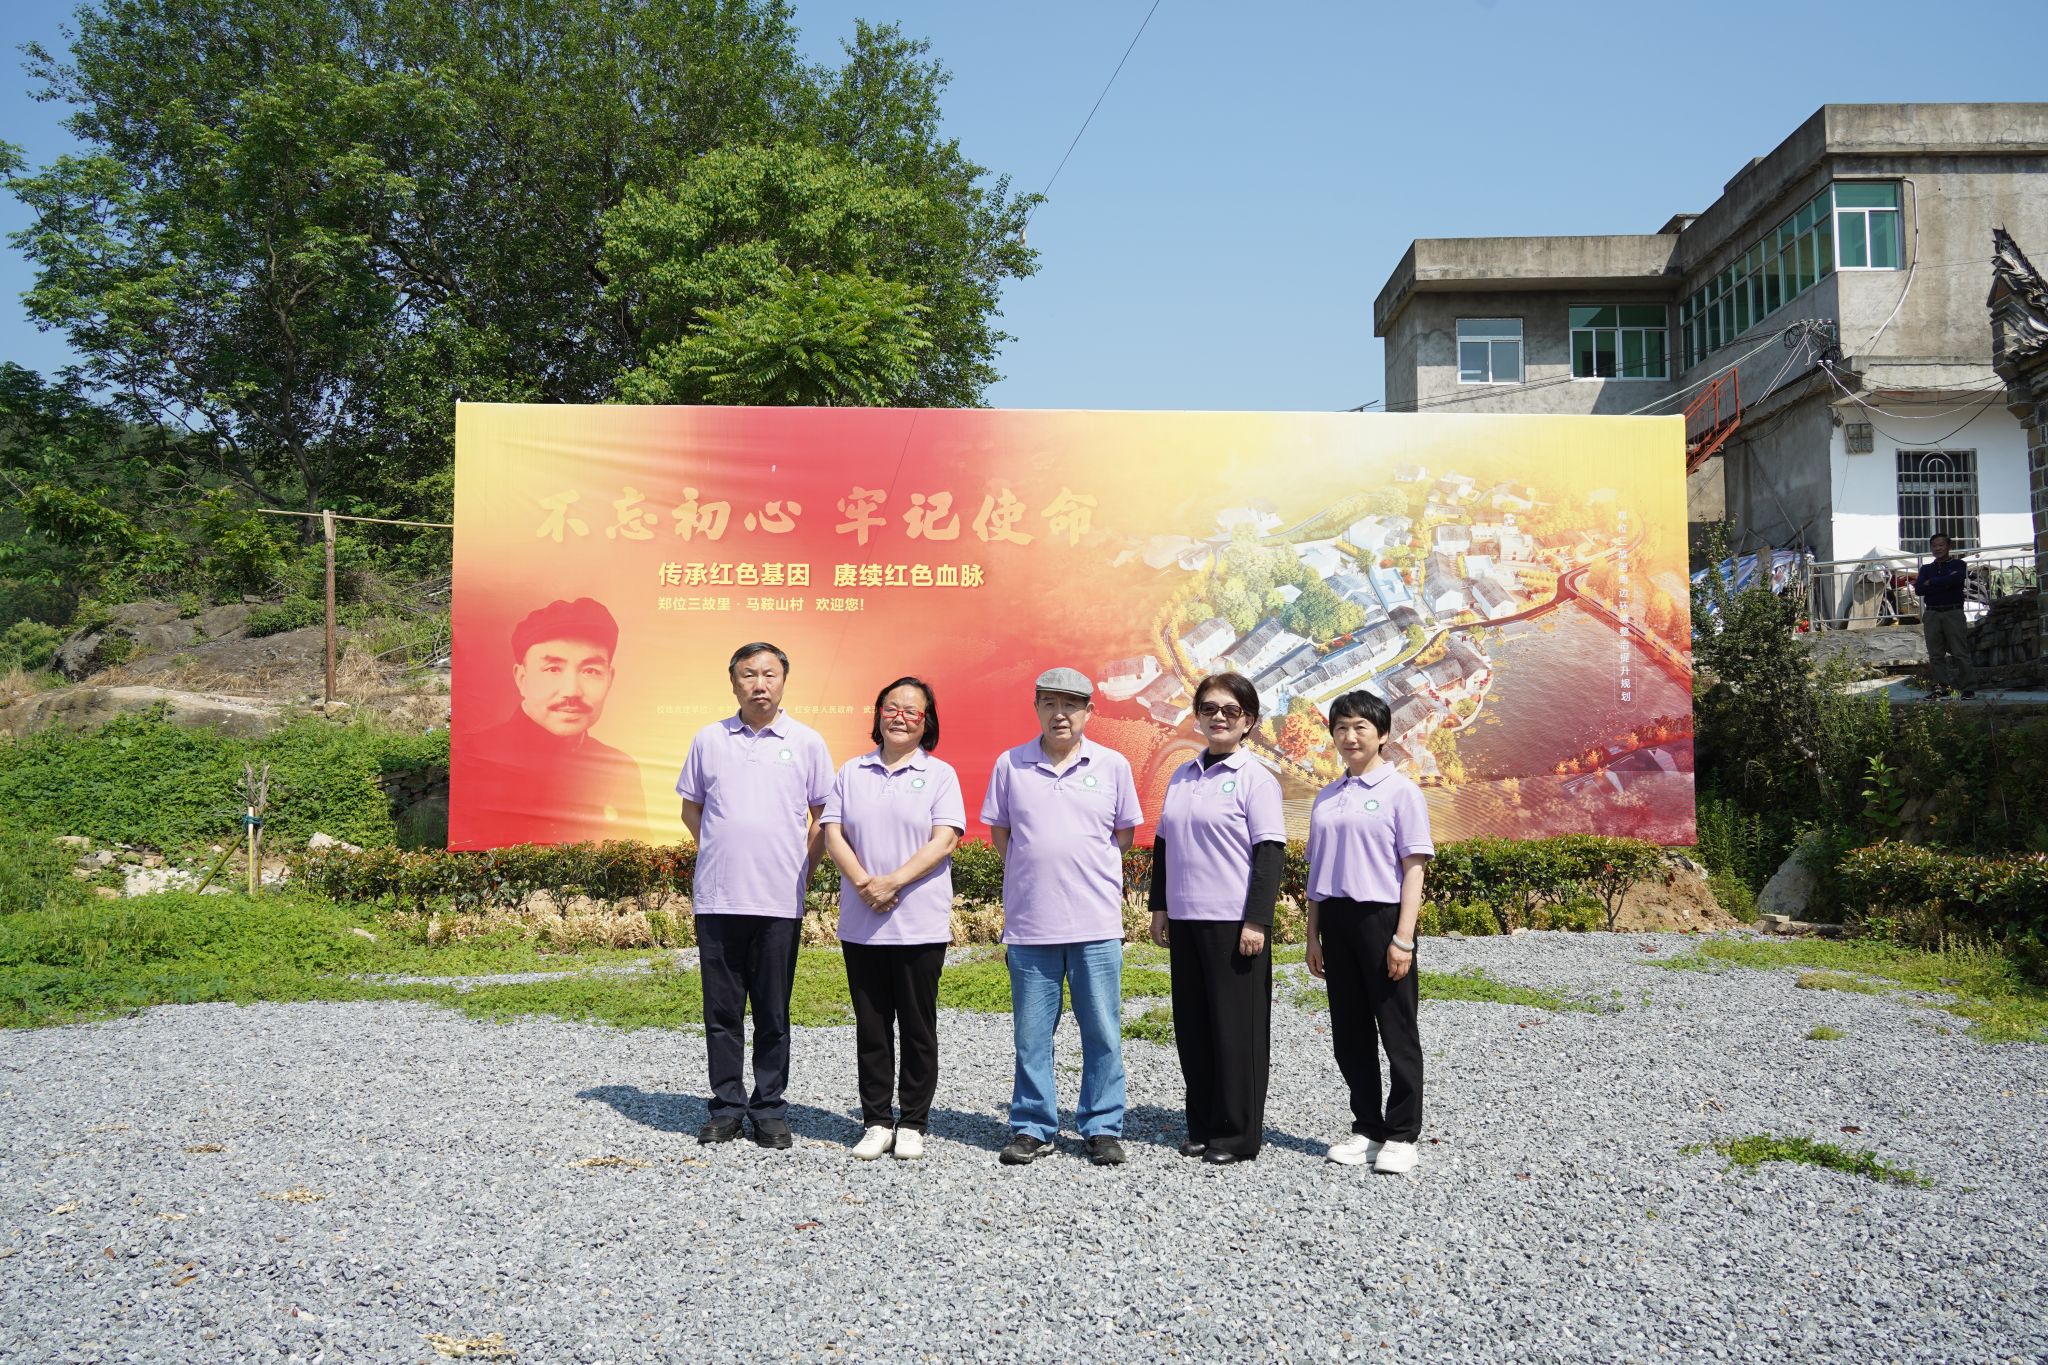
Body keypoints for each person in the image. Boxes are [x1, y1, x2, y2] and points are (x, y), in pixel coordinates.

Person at [981, 667, 1142, 1167]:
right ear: (1036, 708)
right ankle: (1033, 1126)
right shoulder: (1011, 764)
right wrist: (1036, 871)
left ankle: (1101, 1126)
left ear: (1089, 711)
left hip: (1096, 925)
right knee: (1031, 1036)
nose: (1060, 714)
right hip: (1032, 925)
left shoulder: (1112, 765)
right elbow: (1002, 834)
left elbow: (1123, 836)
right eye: (1049, 703)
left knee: (1103, 1032)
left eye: (1071, 704)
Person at [675, 642, 833, 1150]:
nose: (759, 684)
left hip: (778, 902)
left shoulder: (806, 742)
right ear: (734, 683)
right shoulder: (709, 739)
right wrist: (720, 851)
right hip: (719, 900)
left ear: (783, 681)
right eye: (749, 675)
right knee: (721, 1013)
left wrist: (803, 870)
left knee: (772, 1011)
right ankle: (725, 1108)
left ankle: (769, 1108)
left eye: (769, 674)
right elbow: (691, 808)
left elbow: (824, 816)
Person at [821, 677, 965, 1161]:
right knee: (872, 1027)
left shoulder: (940, 774)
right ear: (878, 714)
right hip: (863, 923)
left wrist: (893, 882)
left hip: (919, 923)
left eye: (912, 711)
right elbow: (833, 834)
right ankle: (877, 1121)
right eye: (891, 708)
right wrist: (866, 883)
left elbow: (944, 839)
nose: (900, 717)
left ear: (927, 722)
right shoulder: (852, 771)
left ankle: (914, 1123)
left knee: (918, 1027)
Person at [1148, 672, 1285, 1164]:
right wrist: (1159, 906)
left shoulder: (1256, 779)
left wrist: (1257, 921)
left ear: (1248, 721)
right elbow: (1164, 844)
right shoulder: (1182, 775)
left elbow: (1269, 855)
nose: (1219, 717)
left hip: (1233, 923)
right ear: (1198, 716)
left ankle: (1237, 1135)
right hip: (1186, 919)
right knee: (1195, 1027)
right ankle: (1203, 1125)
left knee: (1235, 1031)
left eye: (1231, 710)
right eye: (1209, 708)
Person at [1305, 689, 1434, 1175]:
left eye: (1360, 726)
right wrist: (1313, 935)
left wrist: (1403, 937)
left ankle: (1402, 1134)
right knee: (1350, 1032)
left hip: (1382, 919)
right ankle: (1367, 1127)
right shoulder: (1326, 796)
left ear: (1382, 734)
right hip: (1336, 921)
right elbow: (1316, 871)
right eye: (1340, 727)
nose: (1349, 736)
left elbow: (1414, 867)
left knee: (1396, 1029)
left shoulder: (1401, 792)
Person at [466, 596, 647, 845]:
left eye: (590, 671)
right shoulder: (473, 757)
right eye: (553, 669)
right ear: (521, 678)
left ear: (609, 679)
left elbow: (637, 854)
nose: (571, 691)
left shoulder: (619, 768)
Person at [1910, 533, 1975, 698]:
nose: (1937, 548)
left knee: (1960, 651)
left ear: (1949, 546)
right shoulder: (1926, 569)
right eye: (1934, 545)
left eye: (1941, 545)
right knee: (1935, 654)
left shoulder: (1959, 564)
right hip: (1932, 613)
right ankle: (1940, 688)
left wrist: (1931, 582)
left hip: (1953, 612)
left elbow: (1957, 580)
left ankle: (1968, 689)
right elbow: (1919, 590)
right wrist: (1945, 581)